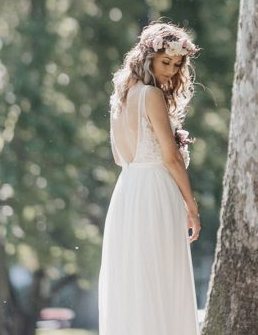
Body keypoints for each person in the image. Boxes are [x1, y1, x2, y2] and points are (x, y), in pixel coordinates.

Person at [98, 22, 202, 334]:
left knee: (136, 280)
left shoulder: (120, 98)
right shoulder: (152, 96)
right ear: (148, 58)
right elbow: (170, 158)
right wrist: (192, 207)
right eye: (165, 62)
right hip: (155, 192)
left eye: (176, 64)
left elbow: (120, 158)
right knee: (160, 275)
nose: (171, 71)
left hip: (128, 192)